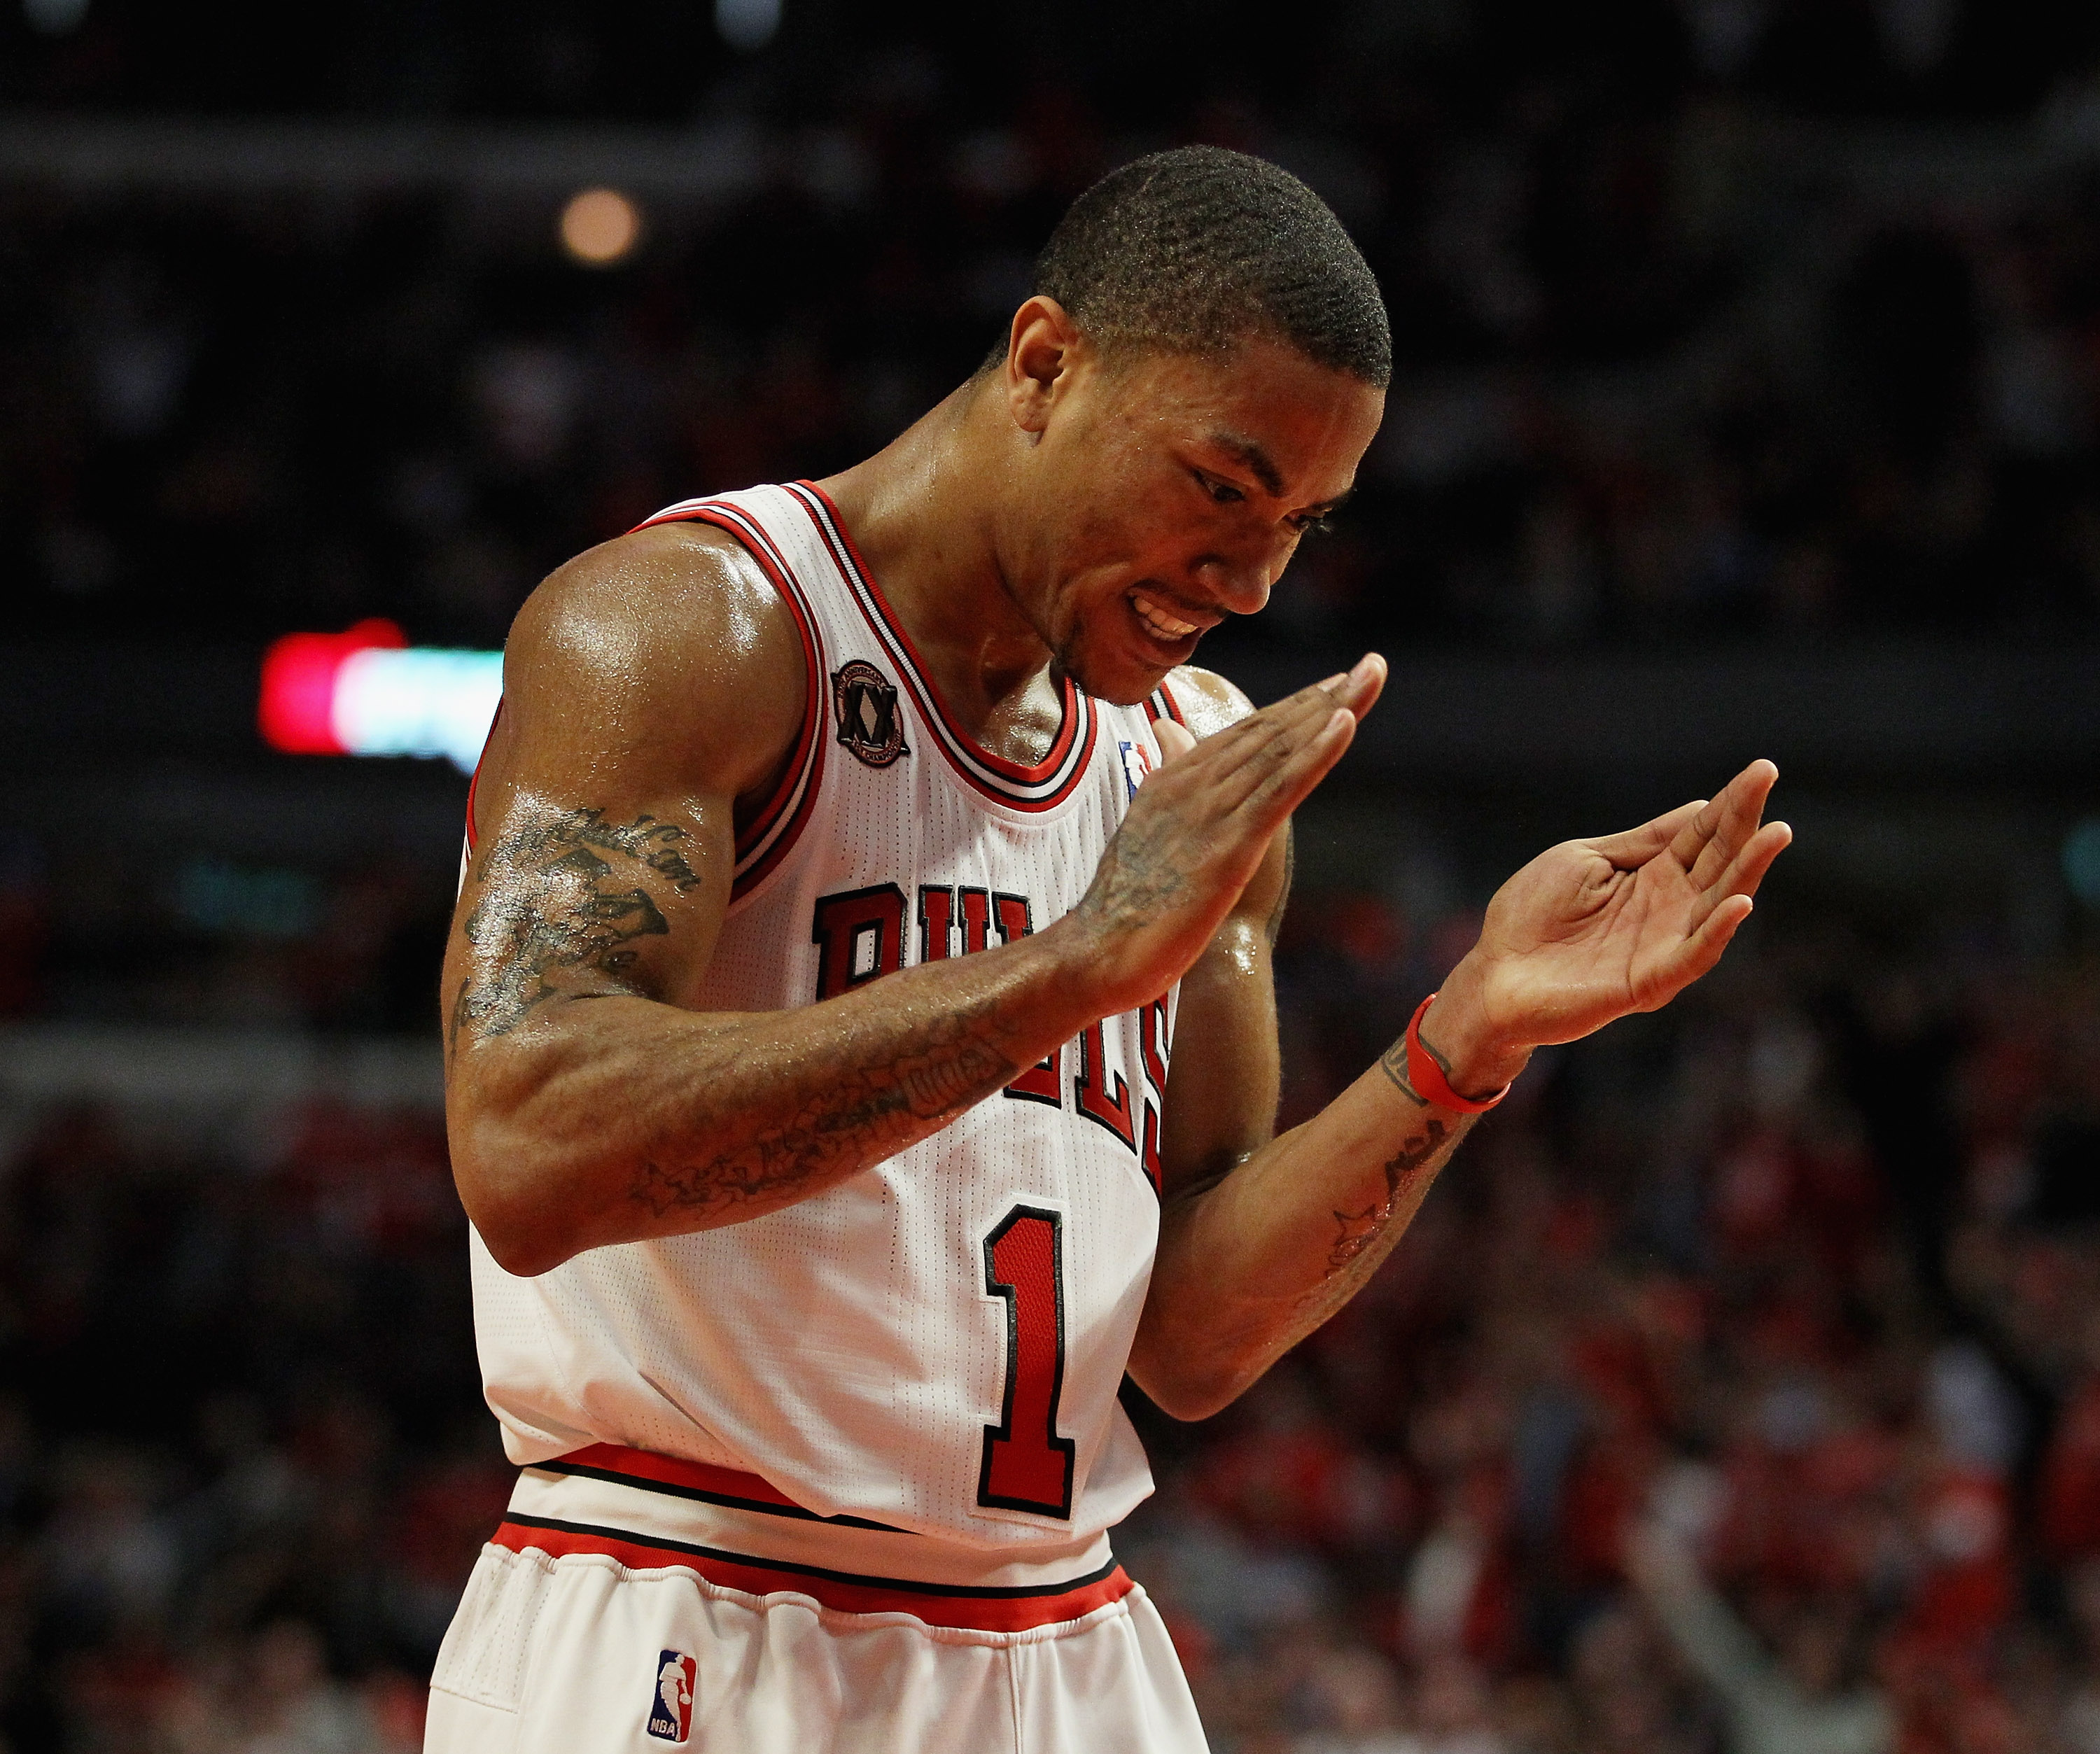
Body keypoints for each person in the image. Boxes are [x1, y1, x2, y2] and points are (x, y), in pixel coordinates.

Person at [426, 146, 1790, 1753]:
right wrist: (1069, 967)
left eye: (1304, 520)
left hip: (1060, 1641)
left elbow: (1196, 1335)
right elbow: (523, 1140)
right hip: (683, 1595)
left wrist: (1466, 1038)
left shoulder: (1191, 762)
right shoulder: (688, 627)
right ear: (1045, 362)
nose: (1254, 576)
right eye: (1220, 486)